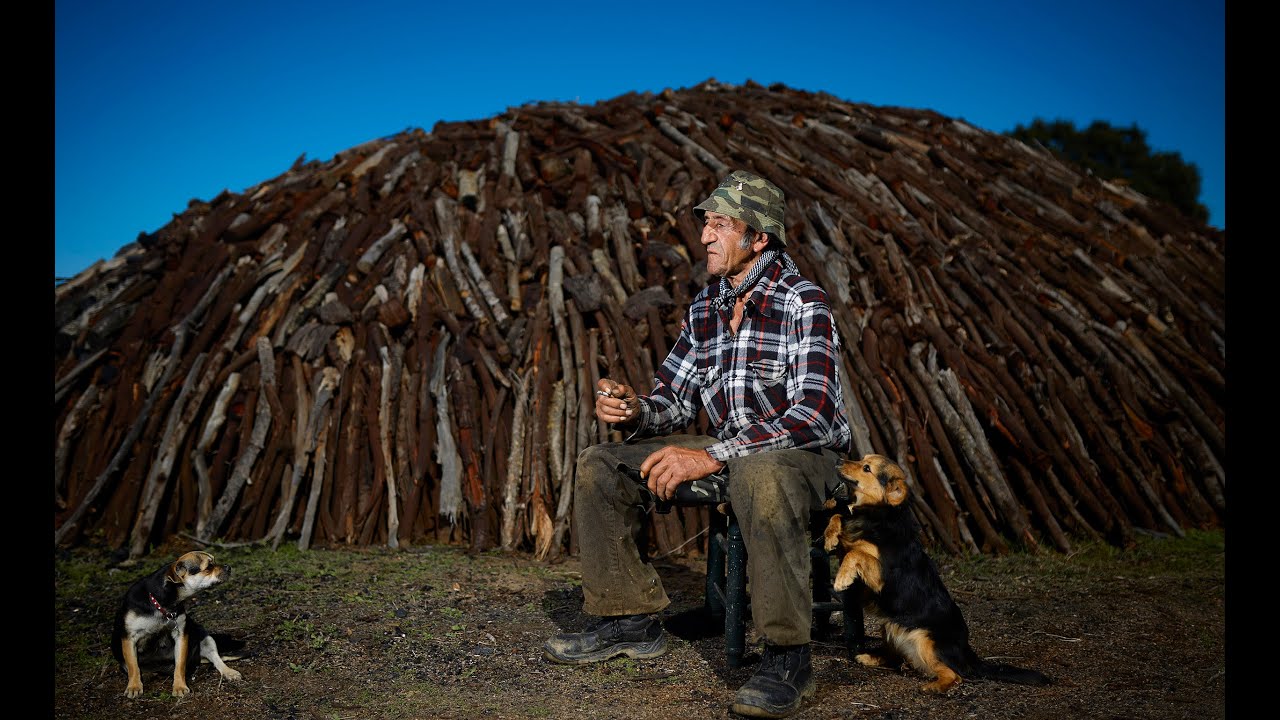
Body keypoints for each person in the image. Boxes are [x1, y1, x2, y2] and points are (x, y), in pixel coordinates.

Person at [542, 169, 852, 719]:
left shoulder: (803, 303)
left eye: (721, 225)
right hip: (731, 449)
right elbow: (674, 401)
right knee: (600, 464)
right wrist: (634, 408)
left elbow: (816, 416)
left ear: (759, 238)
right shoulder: (708, 305)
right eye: (705, 224)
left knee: (761, 473)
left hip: (803, 457)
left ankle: (786, 655)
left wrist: (711, 454)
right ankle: (627, 618)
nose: (706, 237)